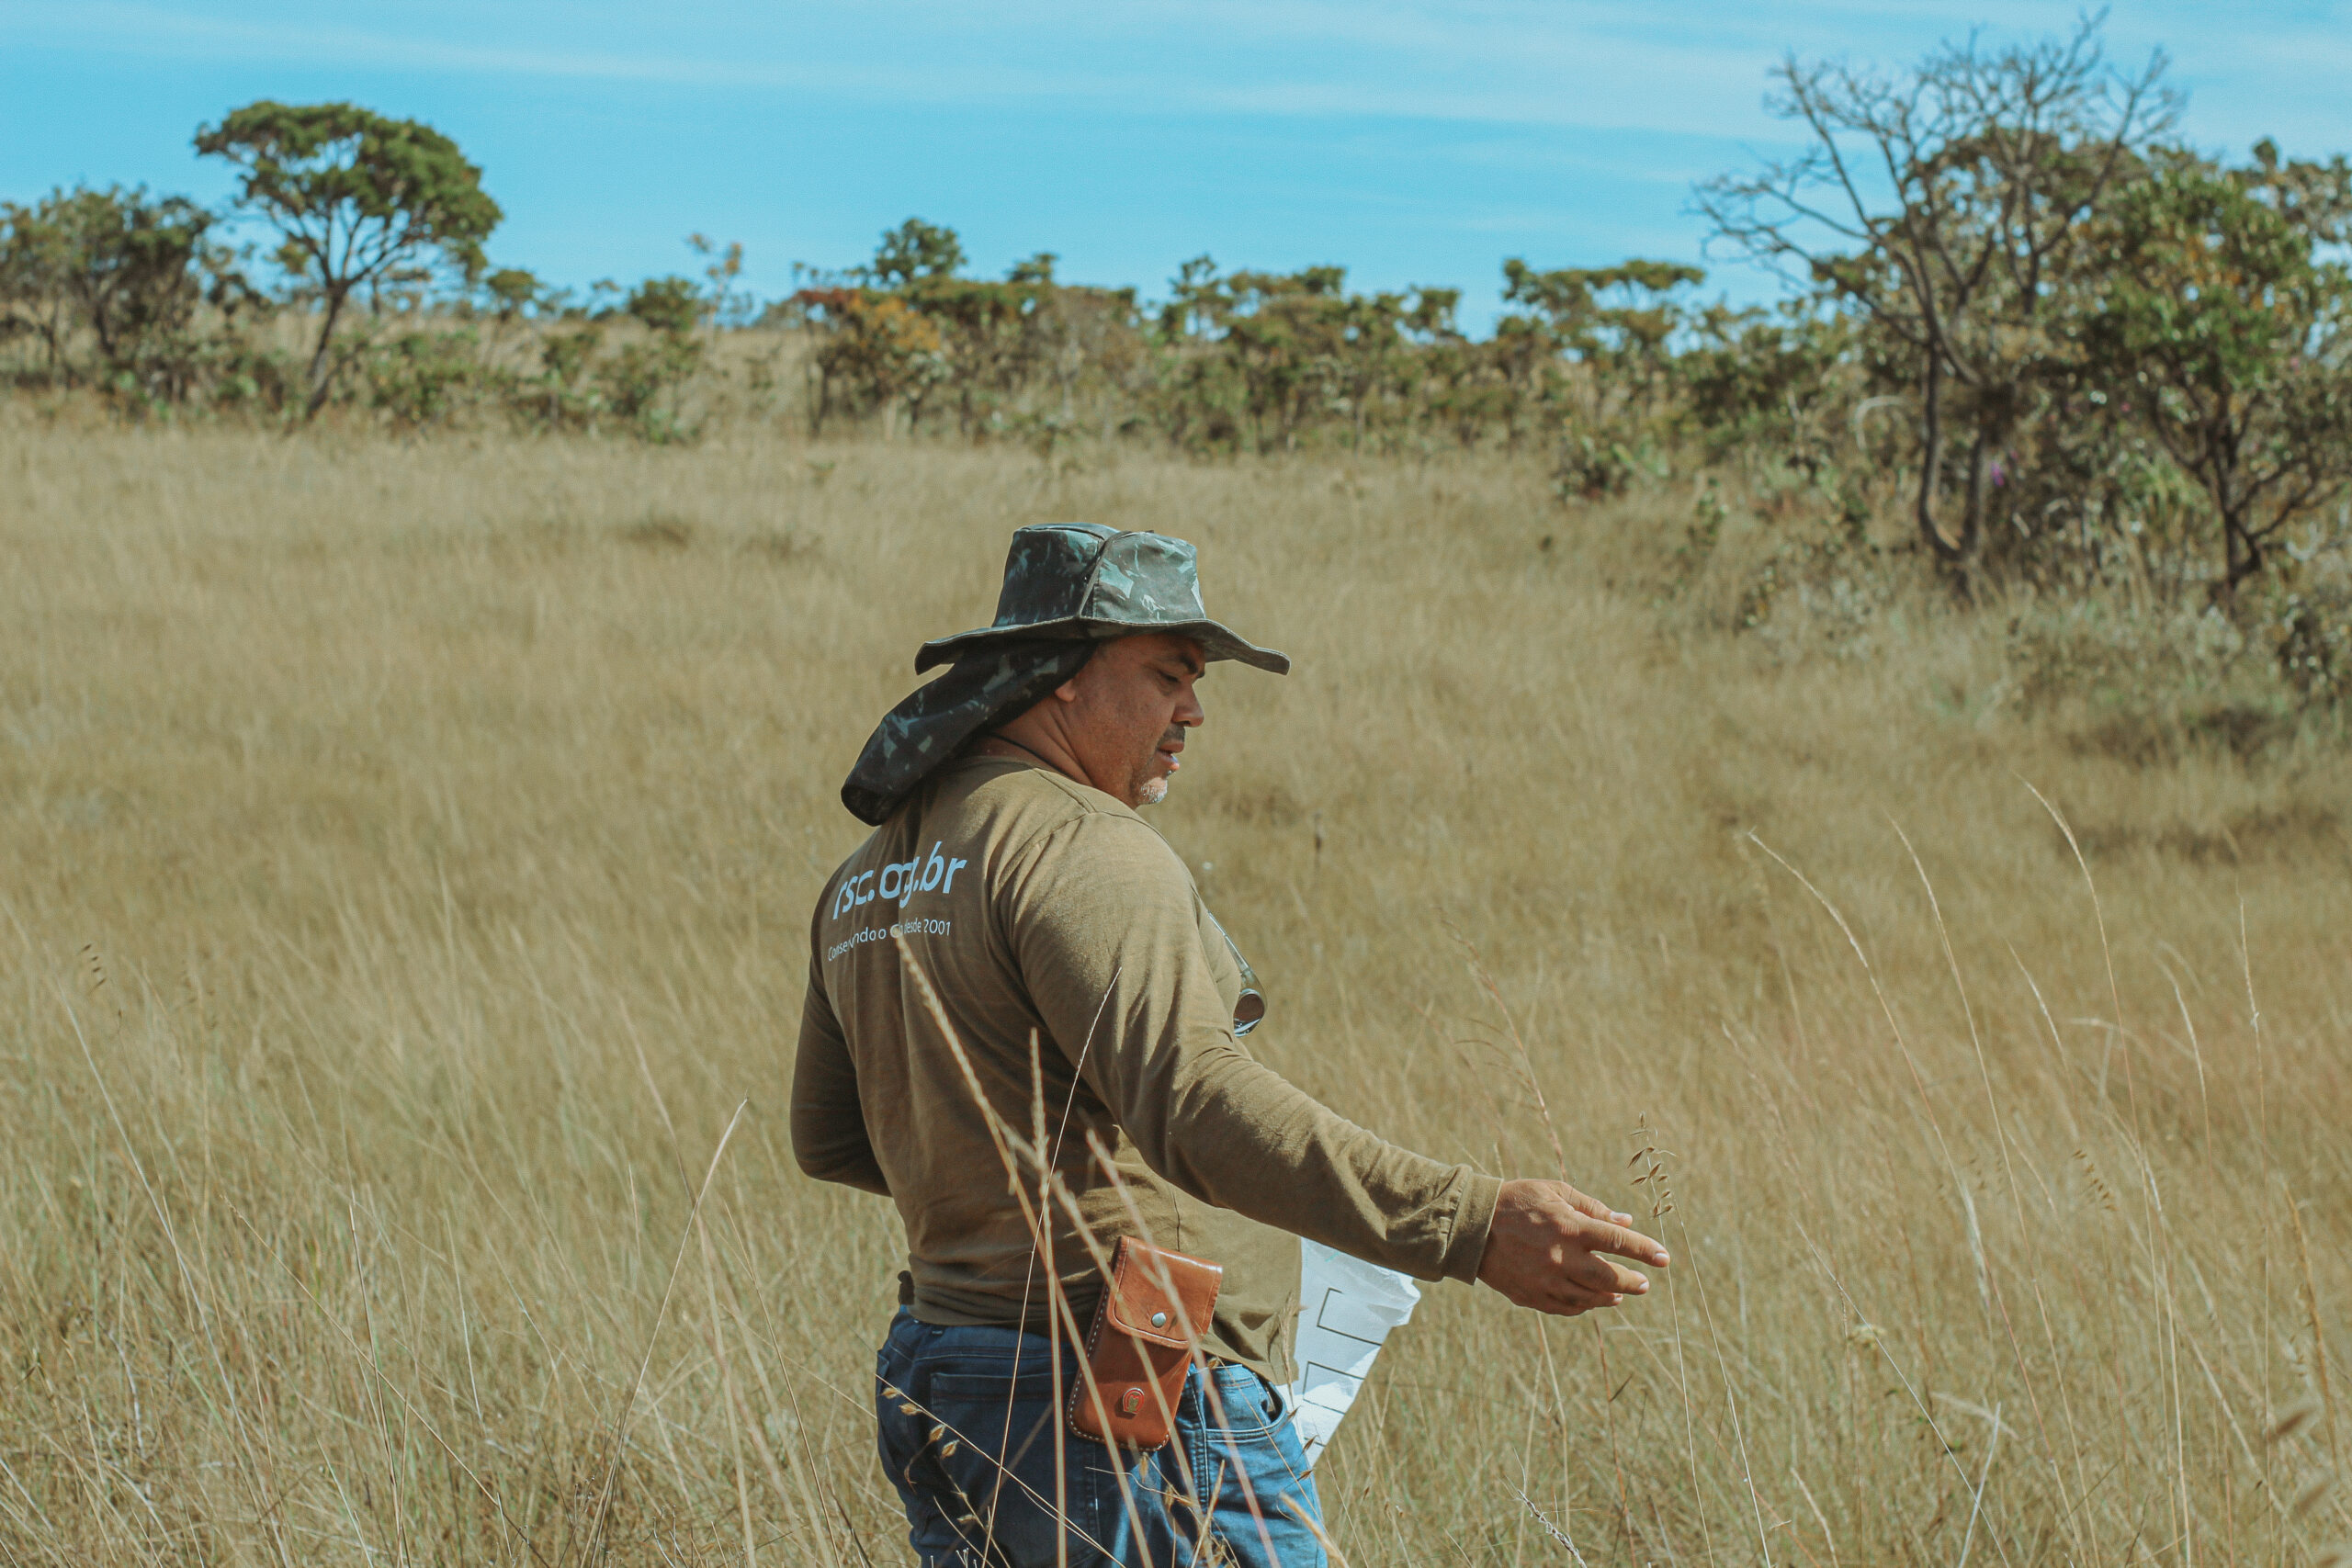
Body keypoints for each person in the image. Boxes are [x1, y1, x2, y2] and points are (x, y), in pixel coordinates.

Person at [793, 524, 1669, 1568]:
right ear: (1061, 675)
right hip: (1124, 1387)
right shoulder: (1083, 847)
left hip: (947, 1371)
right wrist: (1471, 1224)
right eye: (1168, 674)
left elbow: (832, 1137)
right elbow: (1196, 1103)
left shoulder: (867, 877)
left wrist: (995, 1190)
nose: (1193, 711)